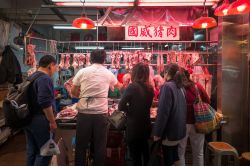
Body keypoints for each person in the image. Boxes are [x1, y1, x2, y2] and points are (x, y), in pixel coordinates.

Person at [71, 49, 121, 166]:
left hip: (84, 114)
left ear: (91, 59)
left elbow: (73, 91)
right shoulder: (108, 73)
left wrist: (84, 96)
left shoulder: (82, 71)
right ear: (104, 60)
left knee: (81, 146)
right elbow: (119, 87)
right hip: (100, 115)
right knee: (100, 146)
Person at [25, 55, 58, 166]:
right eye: (55, 67)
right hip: (41, 120)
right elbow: (45, 103)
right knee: (45, 153)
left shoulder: (32, 76)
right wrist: (52, 121)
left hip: (28, 119)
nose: (55, 70)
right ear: (50, 66)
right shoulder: (44, 78)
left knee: (32, 152)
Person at [118, 63, 154, 166]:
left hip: (134, 127)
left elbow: (121, 106)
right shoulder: (150, 88)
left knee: (135, 158)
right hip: (146, 126)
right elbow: (147, 105)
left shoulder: (132, 86)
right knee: (145, 154)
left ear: (134, 73)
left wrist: (130, 110)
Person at [153, 63, 187, 166]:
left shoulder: (167, 86)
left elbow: (163, 112)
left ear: (167, 73)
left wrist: (157, 133)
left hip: (170, 131)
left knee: (168, 159)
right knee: (175, 156)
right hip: (179, 130)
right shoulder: (180, 87)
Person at [178, 69, 210, 166]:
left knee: (180, 152)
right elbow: (207, 101)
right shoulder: (197, 87)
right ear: (188, 76)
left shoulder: (178, 88)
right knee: (199, 153)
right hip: (198, 122)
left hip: (182, 123)